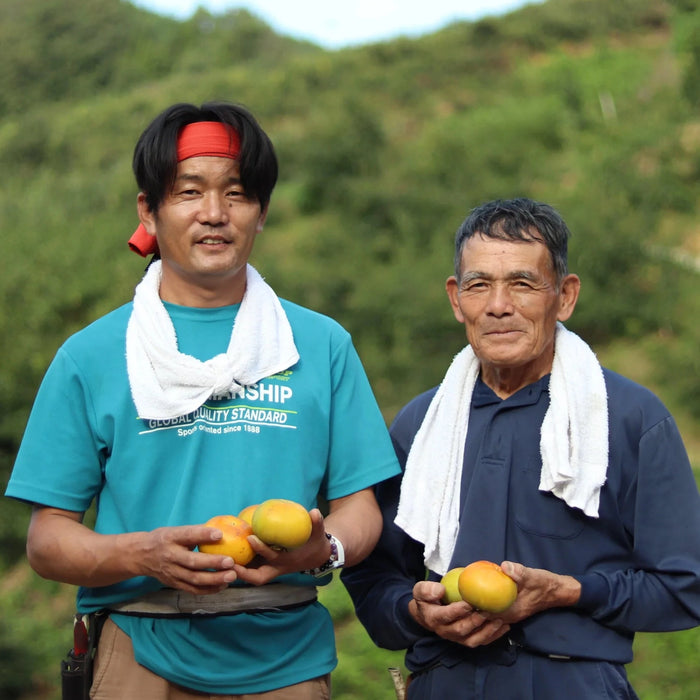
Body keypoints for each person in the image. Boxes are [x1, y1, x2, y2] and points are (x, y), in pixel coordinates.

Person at [5, 101, 400, 698]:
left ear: (261, 212)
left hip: (287, 657)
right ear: (149, 209)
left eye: (236, 193)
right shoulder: (92, 354)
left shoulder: (319, 345)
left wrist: (324, 550)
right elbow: (48, 539)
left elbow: (360, 507)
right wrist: (145, 554)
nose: (214, 214)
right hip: (140, 648)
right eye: (189, 191)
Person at [341, 197, 700, 699]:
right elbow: (373, 575)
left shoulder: (628, 419)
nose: (498, 306)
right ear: (455, 298)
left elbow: (683, 588)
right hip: (442, 681)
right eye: (479, 285)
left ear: (565, 296)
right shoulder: (423, 424)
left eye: (523, 284)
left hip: (574, 682)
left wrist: (569, 592)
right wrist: (414, 609)